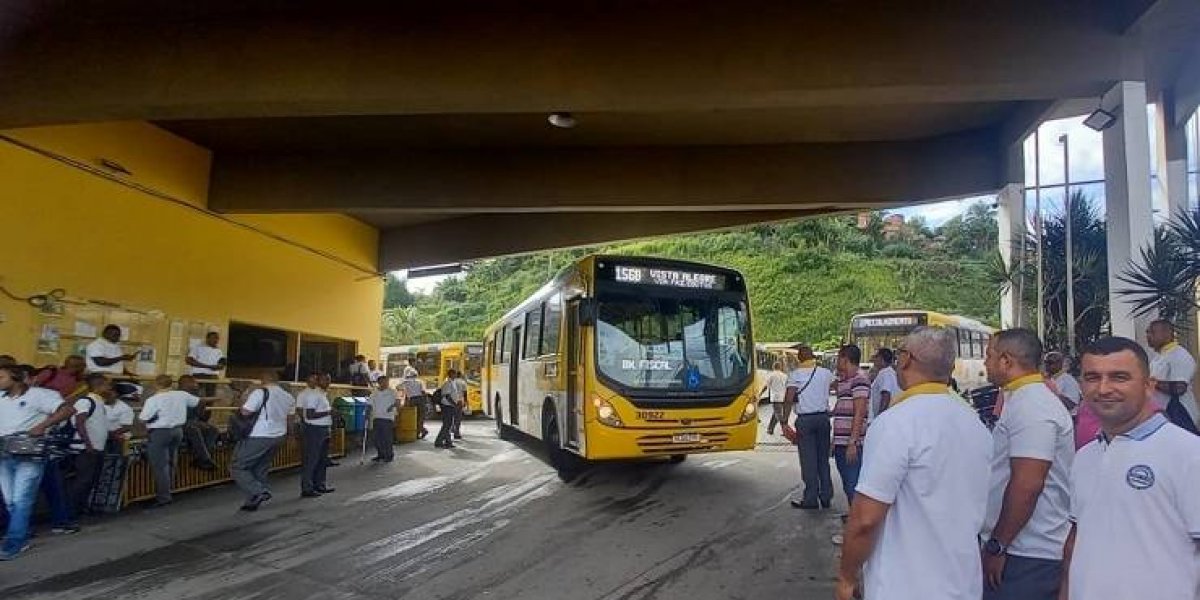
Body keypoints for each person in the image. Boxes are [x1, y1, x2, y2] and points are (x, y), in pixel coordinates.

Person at [835, 327, 991, 600]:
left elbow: (865, 519)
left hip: (904, 587)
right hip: (963, 584)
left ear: (905, 359)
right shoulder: (974, 423)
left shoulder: (896, 423)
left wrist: (847, 577)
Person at [1060, 336, 1200, 600]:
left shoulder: (1188, 454)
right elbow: (1075, 545)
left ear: (1149, 386)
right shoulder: (1085, 457)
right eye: (1092, 377)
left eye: (1119, 377)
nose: (1103, 388)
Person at [980, 328, 1074, 600]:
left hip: (1029, 553)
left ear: (1006, 361)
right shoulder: (1023, 400)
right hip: (1023, 550)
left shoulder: (1033, 405)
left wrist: (998, 545)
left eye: (989, 356)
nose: (985, 363)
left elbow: (1027, 484)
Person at [0, 364, 76, 560]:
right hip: (4, 454)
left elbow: (68, 410)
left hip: (30, 455)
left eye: (1, 377)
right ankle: (22, 536)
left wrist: (43, 425)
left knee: (21, 500)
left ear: (15, 378)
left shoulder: (40, 395)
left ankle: (13, 543)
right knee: (10, 502)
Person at [779, 344, 838, 509]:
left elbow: (789, 398)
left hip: (805, 421)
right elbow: (840, 388)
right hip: (823, 419)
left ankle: (811, 498)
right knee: (823, 460)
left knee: (808, 461)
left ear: (799, 358)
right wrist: (835, 409)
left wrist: (784, 421)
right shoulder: (826, 373)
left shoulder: (795, 375)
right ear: (813, 357)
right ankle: (826, 496)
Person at [231, 370, 296, 511]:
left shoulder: (260, 392)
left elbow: (245, 412)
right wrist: (291, 437)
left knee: (238, 466)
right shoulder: (288, 396)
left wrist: (241, 398)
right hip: (279, 435)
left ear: (263, 379)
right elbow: (290, 419)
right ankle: (252, 501)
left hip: (259, 435)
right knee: (260, 467)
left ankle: (259, 491)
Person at [139, 375, 199, 508]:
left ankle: (164, 497)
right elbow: (197, 402)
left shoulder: (153, 399)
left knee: (160, 466)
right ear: (171, 383)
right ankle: (170, 489)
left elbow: (143, 418)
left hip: (160, 432)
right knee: (172, 460)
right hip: (177, 431)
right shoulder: (181, 395)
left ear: (156, 385)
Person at [831, 345, 870, 506]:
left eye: (838, 358)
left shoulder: (859, 379)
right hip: (841, 442)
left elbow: (859, 412)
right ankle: (853, 515)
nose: (836, 361)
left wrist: (853, 442)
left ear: (845, 359)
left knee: (853, 483)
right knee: (848, 483)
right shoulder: (844, 380)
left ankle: (857, 521)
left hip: (851, 443)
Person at [67, 373, 110, 516]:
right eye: (106, 385)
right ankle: (71, 510)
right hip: (85, 448)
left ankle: (80, 507)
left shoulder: (100, 402)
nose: (109, 388)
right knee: (83, 480)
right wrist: (88, 444)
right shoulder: (86, 401)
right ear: (99, 385)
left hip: (97, 447)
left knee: (90, 479)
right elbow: (80, 423)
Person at [1145, 319, 1199, 432]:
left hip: (1181, 416)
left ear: (1167, 333)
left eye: (1152, 332)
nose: (1148, 336)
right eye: (1147, 332)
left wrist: (1150, 382)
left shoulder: (1180, 355)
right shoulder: (1160, 357)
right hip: (1165, 416)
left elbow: (1179, 388)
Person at [296, 373, 335, 497]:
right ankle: (307, 488)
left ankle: (320, 484)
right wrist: (329, 412)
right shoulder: (312, 395)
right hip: (314, 430)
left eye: (329, 379)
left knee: (322, 459)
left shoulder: (323, 394)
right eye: (325, 380)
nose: (328, 382)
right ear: (318, 381)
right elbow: (310, 415)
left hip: (324, 428)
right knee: (311, 459)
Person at [178, 375, 217, 470]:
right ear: (184, 384)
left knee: (213, 430)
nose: (195, 385)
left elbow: (200, 416)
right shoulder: (176, 395)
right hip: (179, 422)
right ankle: (205, 459)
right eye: (192, 382)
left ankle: (200, 459)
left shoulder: (195, 395)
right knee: (193, 429)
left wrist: (201, 404)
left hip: (193, 421)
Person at [367, 375, 398, 461]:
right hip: (376, 417)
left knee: (387, 438)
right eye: (384, 381)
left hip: (387, 418)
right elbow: (369, 404)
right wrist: (367, 413)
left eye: (387, 381)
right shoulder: (374, 393)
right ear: (379, 383)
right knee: (376, 438)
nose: (386, 383)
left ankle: (389, 455)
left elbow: (398, 402)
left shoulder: (392, 392)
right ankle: (381, 454)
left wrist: (393, 406)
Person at [1043, 351, 1082, 416]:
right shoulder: (1048, 379)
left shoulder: (1068, 380)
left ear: (1059, 364)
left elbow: (1072, 404)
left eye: (1050, 363)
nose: (1047, 366)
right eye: (1046, 363)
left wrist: (1055, 394)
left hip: (1070, 418)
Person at [868, 348, 901, 420]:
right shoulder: (890, 372)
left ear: (881, 358)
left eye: (876, 357)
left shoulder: (885, 373)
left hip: (886, 418)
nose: (874, 360)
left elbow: (886, 395)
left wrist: (879, 418)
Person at [435, 369, 465, 449]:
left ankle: (448, 442)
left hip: (450, 405)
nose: (455, 375)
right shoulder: (447, 383)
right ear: (451, 374)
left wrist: (457, 401)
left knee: (448, 425)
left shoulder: (452, 382)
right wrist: (454, 404)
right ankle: (439, 441)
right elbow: (447, 396)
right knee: (447, 425)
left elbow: (454, 394)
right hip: (447, 406)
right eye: (454, 374)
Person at [103, 384, 135, 453]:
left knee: (113, 459)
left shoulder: (124, 408)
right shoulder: (99, 404)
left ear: (116, 394)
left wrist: (109, 434)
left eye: (111, 392)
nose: (107, 395)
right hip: (102, 437)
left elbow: (126, 426)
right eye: (106, 393)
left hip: (118, 438)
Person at [400, 367, 429, 439]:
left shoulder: (406, 382)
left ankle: (419, 431)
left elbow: (398, 387)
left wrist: (406, 392)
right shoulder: (420, 381)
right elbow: (423, 392)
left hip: (411, 400)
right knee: (420, 417)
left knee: (413, 417)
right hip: (420, 399)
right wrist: (426, 402)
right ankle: (420, 431)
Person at [763, 361, 789, 435]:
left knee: (778, 414)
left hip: (776, 398)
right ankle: (770, 429)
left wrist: (760, 393)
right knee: (776, 413)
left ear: (773, 367)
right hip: (784, 397)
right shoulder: (785, 375)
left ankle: (786, 430)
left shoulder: (771, 375)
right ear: (780, 367)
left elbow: (766, 386)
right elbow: (788, 386)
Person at [450, 369, 468, 439]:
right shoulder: (462, 382)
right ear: (460, 375)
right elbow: (465, 393)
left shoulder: (450, 381)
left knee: (452, 416)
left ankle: (452, 428)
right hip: (459, 402)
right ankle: (456, 432)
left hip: (451, 401)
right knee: (458, 417)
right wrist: (466, 401)